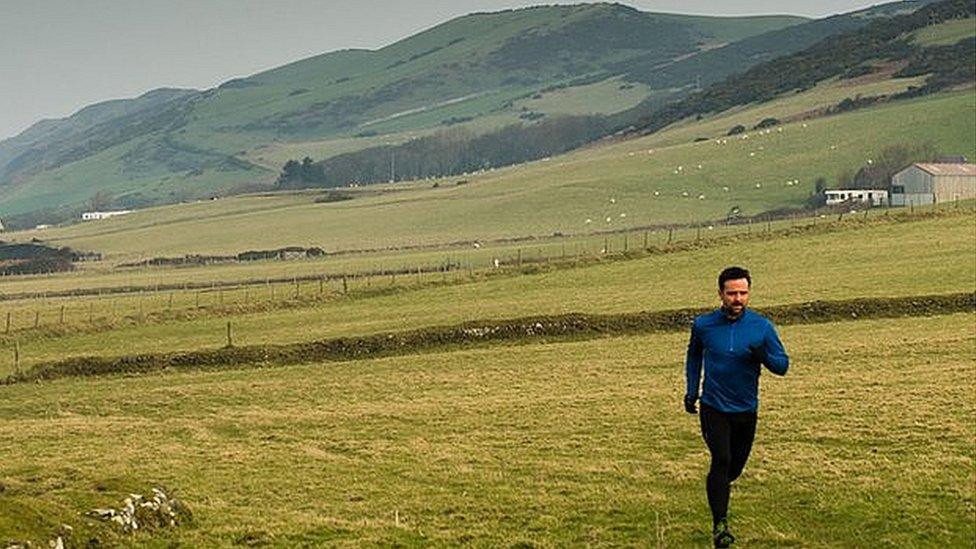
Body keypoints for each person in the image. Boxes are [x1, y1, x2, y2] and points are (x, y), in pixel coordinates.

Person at [684, 266, 789, 548]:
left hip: (746, 409)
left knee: (733, 469)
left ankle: (717, 491)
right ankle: (720, 526)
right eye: (732, 293)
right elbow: (693, 356)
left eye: (743, 293)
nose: (738, 298)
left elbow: (782, 367)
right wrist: (691, 391)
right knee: (721, 459)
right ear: (720, 294)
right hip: (713, 407)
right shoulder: (703, 325)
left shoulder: (762, 327)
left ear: (749, 293)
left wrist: (763, 355)